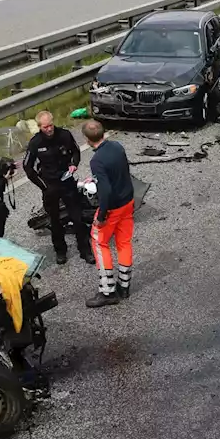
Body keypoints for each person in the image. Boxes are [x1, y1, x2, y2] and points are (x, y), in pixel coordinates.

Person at [22, 110, 91, 265]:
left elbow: (76, 151)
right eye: (45, 127)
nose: (49, 129)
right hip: (50, 186)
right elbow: (28, 167)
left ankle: (85, 249)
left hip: (67, 181)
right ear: (40, 127)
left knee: (77, 217)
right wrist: (44, 186)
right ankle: (60, 251)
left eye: (51, 125)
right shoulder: (35, 143)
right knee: (55, 221)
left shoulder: (65, 135)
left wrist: (74, 164)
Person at [82, 119, 135, 308]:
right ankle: (125, 285)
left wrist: (101, 216)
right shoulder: (117, 146)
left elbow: (105, 191)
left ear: (87, 140)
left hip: (112, 207)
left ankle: (107, 291)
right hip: (128, 202)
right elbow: (118, 172)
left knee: (98, 242)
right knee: (124, 242)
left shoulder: (97, 160)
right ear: (103, 133)